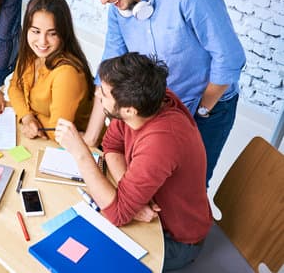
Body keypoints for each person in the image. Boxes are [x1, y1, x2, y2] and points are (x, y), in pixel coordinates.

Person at [74, 0, 246, 185]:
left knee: (186, 186)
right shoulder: (119, 9)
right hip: (158, 105)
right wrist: (90, 139)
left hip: (208, 106)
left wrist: (201, 110)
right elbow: (108, 71)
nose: (103, 0)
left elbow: (230, 59)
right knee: (152, 182)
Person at [55, 52, 212, 271]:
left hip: (174, 239)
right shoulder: (145, 103)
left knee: (88, 258)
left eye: (105, 94)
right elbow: (112, 146)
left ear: (129, 109)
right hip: (149, 215)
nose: (98, 93)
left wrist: (80, 153)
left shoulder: (161, 141)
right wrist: (128, 196)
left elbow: (117, 214)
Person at [8, 0, 94, 140]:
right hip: (42, 139)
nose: (42, 42)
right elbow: (14, 87)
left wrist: (35, 119)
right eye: (36, 31)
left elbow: (58, 131)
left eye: (52, 33)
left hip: (79, 147)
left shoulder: (67, 73)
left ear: (63, 33)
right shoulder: (30, 53)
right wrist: (27, 117)